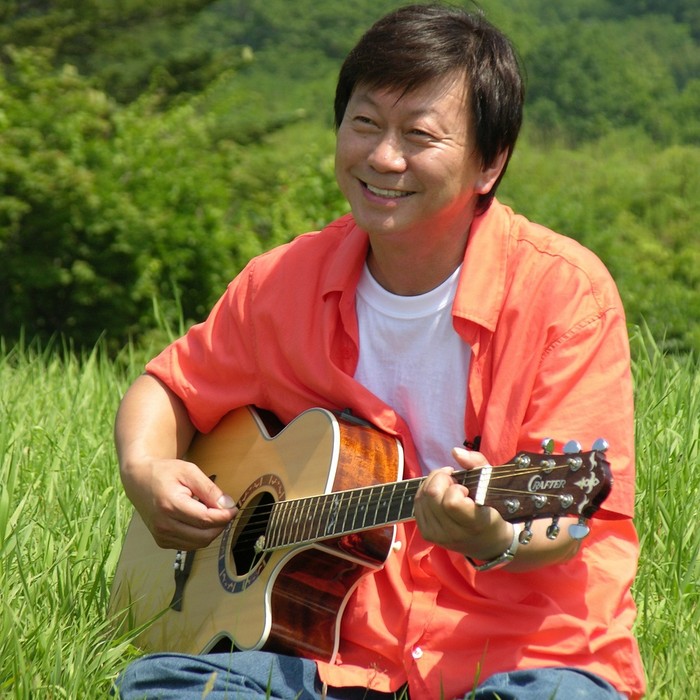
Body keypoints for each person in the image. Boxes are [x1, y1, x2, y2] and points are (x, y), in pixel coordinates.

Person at [112, 4, 645, 699]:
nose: (383, 157)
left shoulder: (564, 295)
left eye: (419, 135)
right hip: (330, 655)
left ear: (490, 163)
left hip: (524, 656)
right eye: (365, 123)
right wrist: (146, 470)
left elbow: (571, 518)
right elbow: (168, 389)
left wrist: (491, 536)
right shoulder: (283, 282)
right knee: (160, 683)